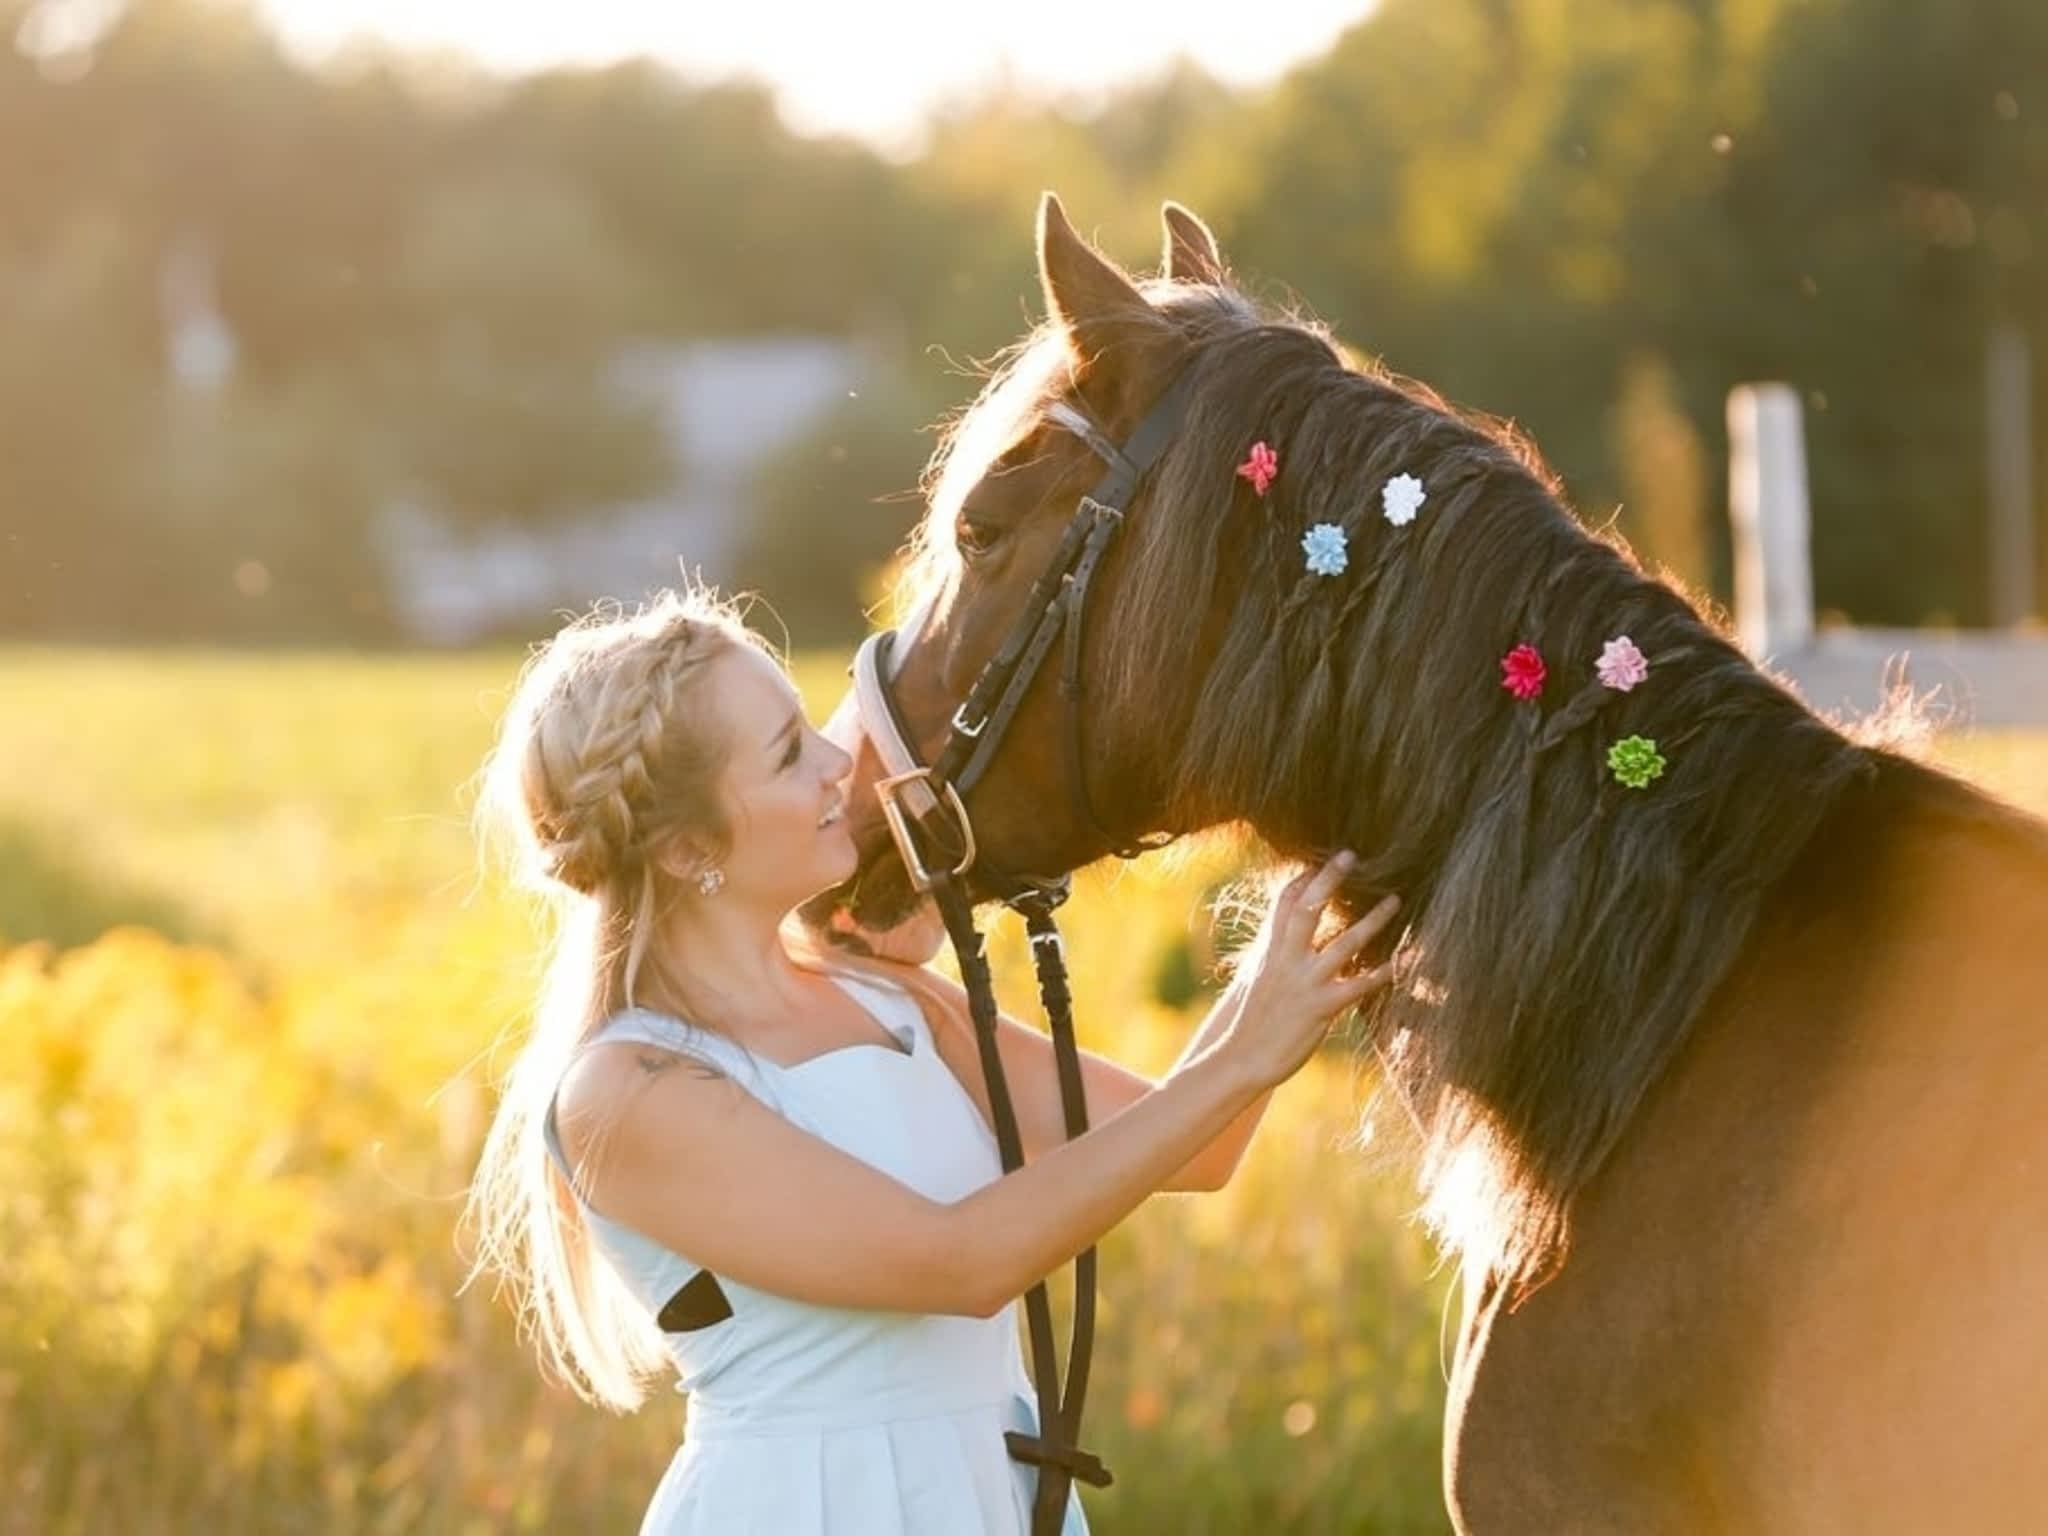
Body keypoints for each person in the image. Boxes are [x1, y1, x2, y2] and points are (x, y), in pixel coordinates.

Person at [464, 588, 1400, 1535]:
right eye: (790, 754)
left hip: (988, 1499)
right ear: (689, 847)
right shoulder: (630, 1092)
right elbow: (962, 1261)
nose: (838, 767)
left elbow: (1197, 1146)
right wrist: (1241, 1056)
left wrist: (1316, 893)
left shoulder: (887, 996)